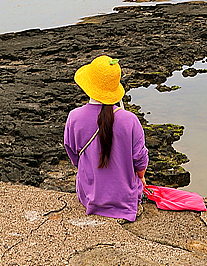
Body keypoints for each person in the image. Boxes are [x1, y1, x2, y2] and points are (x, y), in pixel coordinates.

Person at [63, 55, 148, 222]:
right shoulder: (130, 120)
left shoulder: (74, 117)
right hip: (127, 201)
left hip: (89, 196)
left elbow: (73, 155)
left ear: (88, 85)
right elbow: (140, 159)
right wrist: (142, 177)